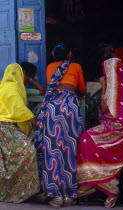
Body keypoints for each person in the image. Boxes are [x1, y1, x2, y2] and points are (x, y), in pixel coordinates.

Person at [77, 44, 123, 208]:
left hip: (119, 128)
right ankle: (104, 187)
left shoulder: (114, 84)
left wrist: (103, 86)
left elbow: (105, 107)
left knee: (86, 138)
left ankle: (96, 185)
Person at [34, 43, 86, 208]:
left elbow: (50, 86)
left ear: (53, 56)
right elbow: (82, 90)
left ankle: (55, 195)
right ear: (69, 54)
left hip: (53, 108)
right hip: (70, 107)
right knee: (70, 150)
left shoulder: (50, 67)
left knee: (52, 150)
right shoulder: (76, 66)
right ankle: (70, 194)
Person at [0, 63, 39, 203]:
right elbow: (20, 110)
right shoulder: (11, 88)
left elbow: (42, 91)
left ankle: (19, 190)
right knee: (28, 150)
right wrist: (38, 124)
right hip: (5, 127)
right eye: (26, 78)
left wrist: (31, 81)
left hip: (8, 127)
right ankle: (24, 191)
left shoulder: (8, 86)